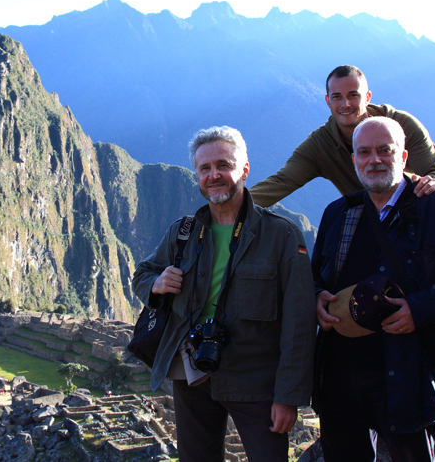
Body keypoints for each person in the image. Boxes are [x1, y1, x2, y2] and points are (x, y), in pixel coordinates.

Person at [311, 117, 435, 461]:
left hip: (407, 376)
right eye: (364, 152)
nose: (374, 159)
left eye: (385, 150)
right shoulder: (339, 213)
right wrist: (316, 297)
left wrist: (420, 308)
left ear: (404, 156)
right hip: (339, 375)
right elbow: (316, 276)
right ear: (354, 160)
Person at [132, 126, 315, 462]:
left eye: (223, 165)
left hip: (256, 380)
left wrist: (288, 396)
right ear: (197, 175)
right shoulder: (184, 232)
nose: (213, 175)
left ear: (244, 170)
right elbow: (142, 273)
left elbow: (300, 320)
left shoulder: (281, 235)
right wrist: (156, 284)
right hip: (194, 375)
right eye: (204, 169)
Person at [249, 65, 435, 207]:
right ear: (328, 101)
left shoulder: (402, 126)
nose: (345, 104)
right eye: (337, 97)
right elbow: (280, 183)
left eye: (353, 95)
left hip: (416, 219)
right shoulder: (320, 146)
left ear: (367, 97)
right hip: (369, 227)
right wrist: (227, 207)